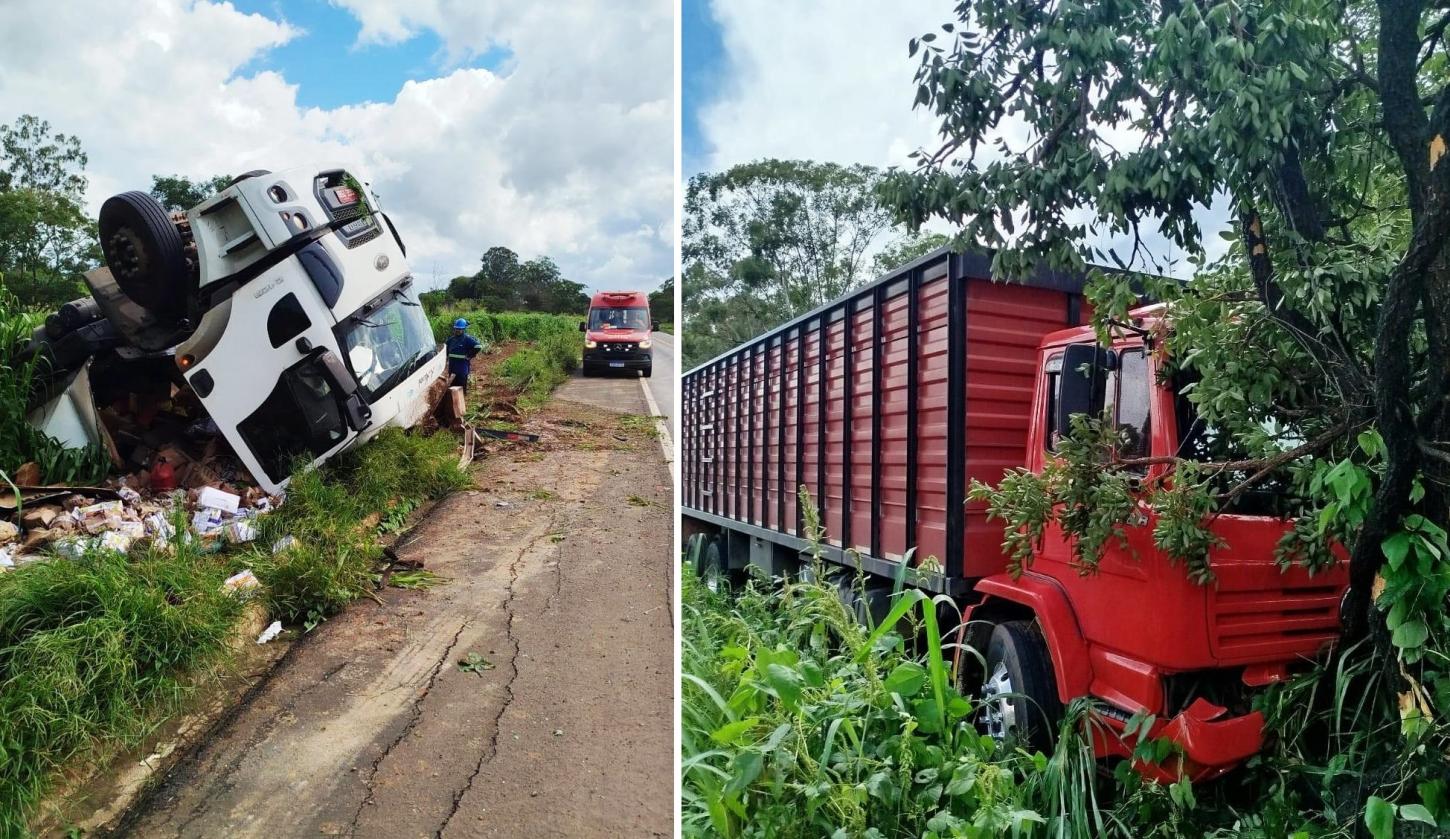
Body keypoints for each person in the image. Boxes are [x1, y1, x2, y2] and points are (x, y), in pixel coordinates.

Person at [445, 318, 481, 391]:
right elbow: (445, 348)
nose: (457, 330)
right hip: (452, 368)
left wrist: (469, 355)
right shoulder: (451, 340)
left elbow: (478, 346)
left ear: (464, 329)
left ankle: (462, 401)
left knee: (461, 387)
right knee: (452, 388)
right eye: (456, 329)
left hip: (462, 368)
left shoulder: (467, 339)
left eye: (459, 329)